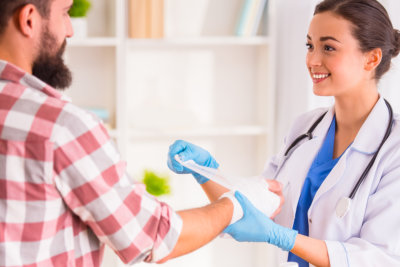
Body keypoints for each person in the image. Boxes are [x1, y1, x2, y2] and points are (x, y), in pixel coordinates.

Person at [0, 0, 255, 265]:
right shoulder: (61, 127)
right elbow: (153, 236)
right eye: (64, 13)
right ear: (29, 19)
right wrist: (235, 205)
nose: (70, 30)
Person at [168, 0, 400, 266]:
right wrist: (205, 171)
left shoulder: (394, 148)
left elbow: (379, 258)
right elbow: (256, 208)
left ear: (371, 58)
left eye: (328, 47)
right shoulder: (304, 129)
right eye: (309, 45)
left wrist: (284, 238)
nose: (313, 60)